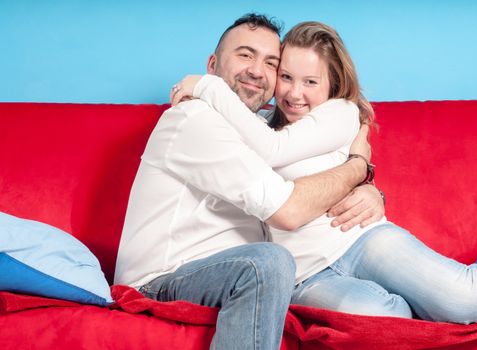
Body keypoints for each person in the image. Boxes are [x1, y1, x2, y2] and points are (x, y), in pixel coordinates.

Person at [170, 21, 477, 324]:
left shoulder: (340, 114)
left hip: (358, 239)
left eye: (311, 82)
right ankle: (420, 300)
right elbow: (260, 145)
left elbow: (273, 150)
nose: (294, 94)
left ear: (332, 84)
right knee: (389, 319)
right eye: (286, 77)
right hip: (305, 277)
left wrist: (206, 85)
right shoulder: (256, 125)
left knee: (464, 302)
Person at [114, 14, 383, 350]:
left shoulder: (258, 129)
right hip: (161, 279)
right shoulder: (195, 119)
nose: (257, 70)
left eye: (271, 62)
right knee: (267, 263)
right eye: (245, 55)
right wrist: (357, 167)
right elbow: (289, 211)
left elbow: (311, 168)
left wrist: (368, 187)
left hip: (235, 275)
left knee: (378, 303)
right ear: (212, 65)